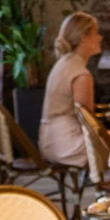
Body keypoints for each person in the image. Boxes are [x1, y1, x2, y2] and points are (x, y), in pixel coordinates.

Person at [39, 12, 100, 166]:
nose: (100, 37)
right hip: (67, 144)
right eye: (96, 33)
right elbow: (88, 121)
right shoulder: (81, 74)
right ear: (83, 38)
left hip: (50, 140)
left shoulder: (64, 62)